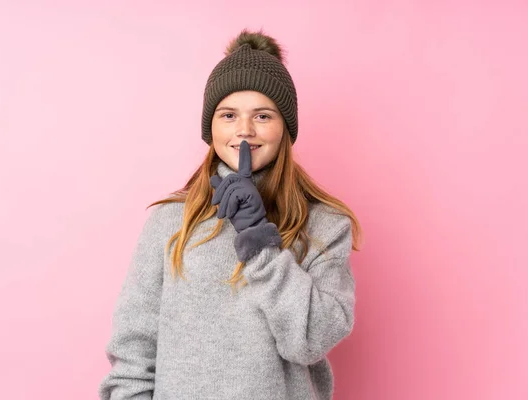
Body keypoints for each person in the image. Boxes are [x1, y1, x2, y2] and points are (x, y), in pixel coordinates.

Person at [98, 28, 363, 400]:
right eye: (228, 115)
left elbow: (312, 340)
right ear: (211, 127)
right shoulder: (171, 222)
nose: (244, 130)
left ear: (285, 127)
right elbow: (133, 353)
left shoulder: (325, 225)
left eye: (263, 116)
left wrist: (260, 241)